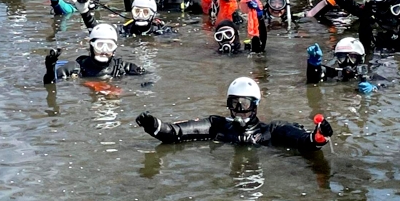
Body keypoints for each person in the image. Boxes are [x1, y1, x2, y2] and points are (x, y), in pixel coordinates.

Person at [135, 76, 333, 152]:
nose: (239, 110)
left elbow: (303, 142)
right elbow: (176, 133)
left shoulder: (271, 131)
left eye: (244, 104)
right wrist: (154, 126)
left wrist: (318, 138)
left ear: (255, 105)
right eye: (234, 104)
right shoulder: (217, 125)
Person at [43, 23, 147, 83]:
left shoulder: (122, 68)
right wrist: (50, 68)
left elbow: (148, 78)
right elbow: (50, 84)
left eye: (109, 46)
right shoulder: (75, 68)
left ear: (114, 50)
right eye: (100, 45)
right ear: (91, 46)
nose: (104, 50)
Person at [306, 38, 380, 93]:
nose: (347, 62)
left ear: (361, 58)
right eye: (342, 57)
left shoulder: (371, 76)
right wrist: (313, 64)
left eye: (352, 57)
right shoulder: (334, 74)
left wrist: (373, 89)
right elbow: (313, 80)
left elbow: (387, 87)